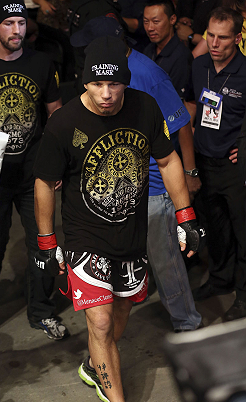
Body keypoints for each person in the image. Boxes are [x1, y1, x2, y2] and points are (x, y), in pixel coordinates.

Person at [33, 35, 205, 402]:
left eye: (115, 86)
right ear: (83, 82)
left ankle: (95, 364)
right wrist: (45, 240)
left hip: (131, 236)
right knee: (102, 322)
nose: (107, 95)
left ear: (126, 82)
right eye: (97, 85)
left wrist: (186, 217)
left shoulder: (144, 108)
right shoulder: (63, 124)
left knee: (123, 310)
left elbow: (166, 160)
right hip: (84, 238)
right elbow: (44, 183)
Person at [70, 15, 202, 332]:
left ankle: (188, 324)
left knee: (165, 259)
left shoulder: (148, 75)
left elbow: (181, 122)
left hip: (155, 188)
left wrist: (189, 171)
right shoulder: (109, 77)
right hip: (126, 186)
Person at [0, 0, 69, 340]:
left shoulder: (41, 62)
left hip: (33, 173)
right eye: (9, 23)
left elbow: (56, 114)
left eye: (21, 22)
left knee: (42, 241)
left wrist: (57, 159)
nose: (17, 30)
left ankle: (41, 311)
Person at [187, 7, 246, 321]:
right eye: (211, 35)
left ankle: (244, 295)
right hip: (205, 162)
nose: (215, 43)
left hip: (234, 169)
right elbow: (194, 105)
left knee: (242, 232)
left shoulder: (245, 72)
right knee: (217, 229)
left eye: (223, 38)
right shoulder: (199, 66)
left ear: (237, 38)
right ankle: (221, 280)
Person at [143, 0, 193, 100]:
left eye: (156, 22)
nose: (150, 28)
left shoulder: (181, 57)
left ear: (172, 19)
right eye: (146, 22)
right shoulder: (148, 50)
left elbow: (175, 100)